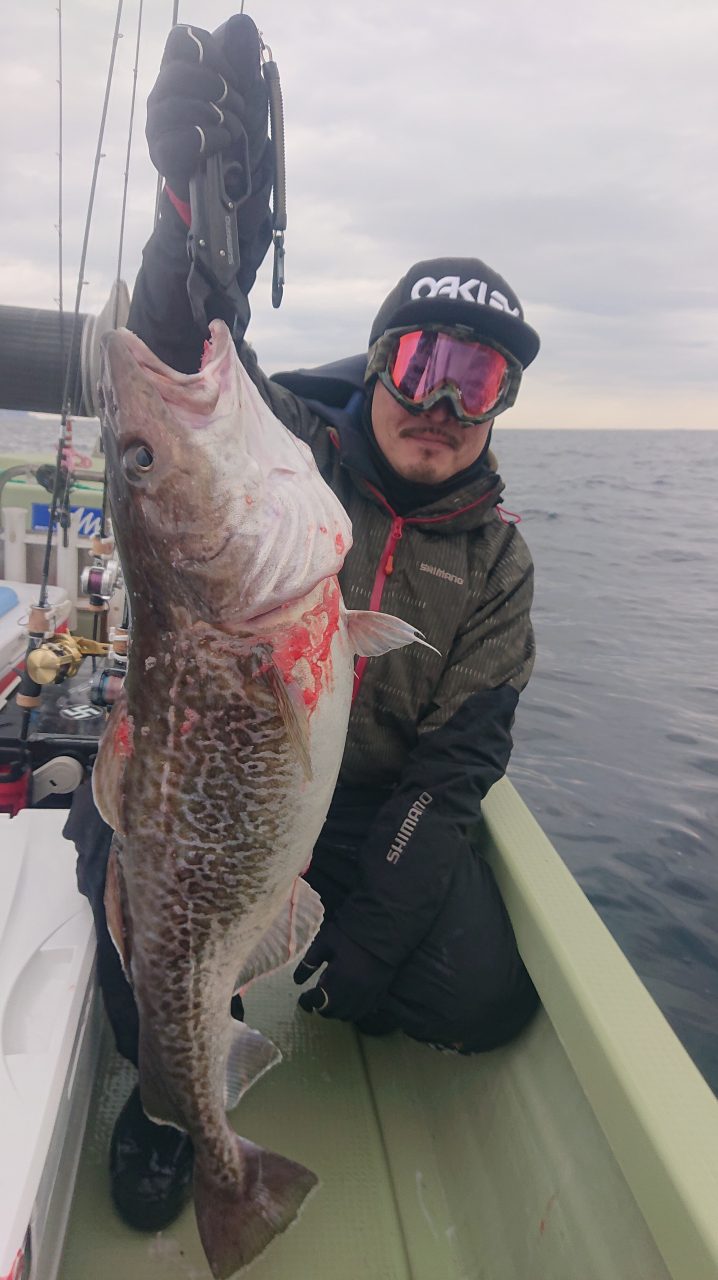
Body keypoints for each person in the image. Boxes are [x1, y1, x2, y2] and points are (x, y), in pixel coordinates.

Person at [64, 15, 541, 1234]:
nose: (441, 401)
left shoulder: (496, 561)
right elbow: (181, 352)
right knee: (121, 857)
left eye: (477, 380)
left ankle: (311, 987)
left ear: (498, 407)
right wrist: (185, 209)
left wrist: (376, 921)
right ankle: (170, 1097)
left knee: (482, 994)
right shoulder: (288, 458)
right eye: (424, 362)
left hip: (361, 811)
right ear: (378, 362)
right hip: (221, 809)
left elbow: (458, 762)